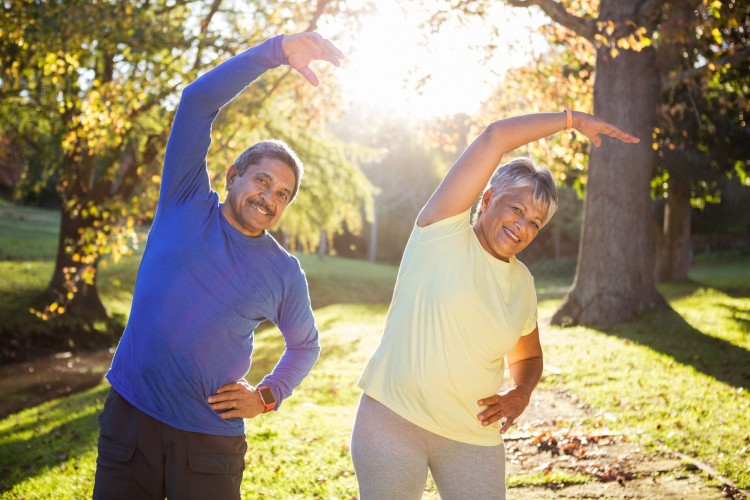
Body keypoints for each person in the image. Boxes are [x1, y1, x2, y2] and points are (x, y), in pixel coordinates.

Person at [93, 32, 344, 499]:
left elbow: (305, 346)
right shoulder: (184, 202)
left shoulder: (283, 271)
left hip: (209, 442)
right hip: (130, 420)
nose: (268, 198)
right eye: (262, 181)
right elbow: (195, 102)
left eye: (282, 195)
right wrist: (276, 51)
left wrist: (266, 397)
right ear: (233, 175)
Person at [351, 109, 639, 499]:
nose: (523, 226)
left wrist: (521, 393)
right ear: (486, 198)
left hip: (472, 434)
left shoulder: (522, 283)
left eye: (535, 222)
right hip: (393, 422)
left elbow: (528, 358)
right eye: (517, 209)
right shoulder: (441, 231)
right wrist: (571, 120)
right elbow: (494, 138)